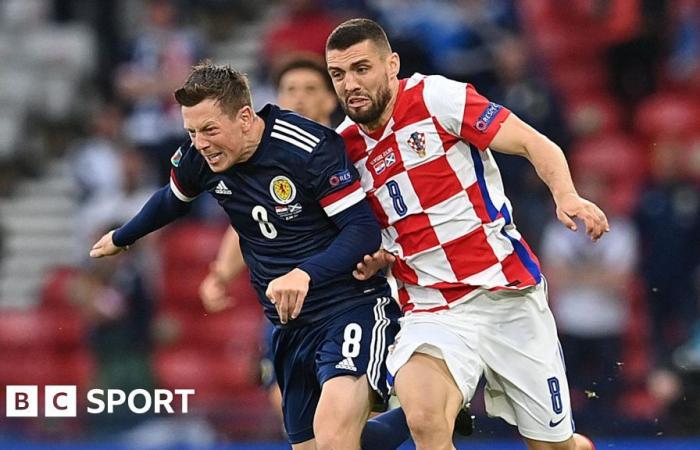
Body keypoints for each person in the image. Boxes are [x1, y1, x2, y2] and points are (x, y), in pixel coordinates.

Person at [325, 18, 607, 450]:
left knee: (553, 446)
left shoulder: (438, 97)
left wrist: (566, 195)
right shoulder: (342, 149)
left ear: (391, 64)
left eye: (361, 68)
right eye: (339, 74)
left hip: (506, 295)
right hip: (431, 308)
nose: (350, 84)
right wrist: (377, 256)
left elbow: (536, 143)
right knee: (423, 418)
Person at [90, 62, 403, 450]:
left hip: (349, 308)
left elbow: (362, 231)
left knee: (336, 436)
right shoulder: (201, 156)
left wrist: (305, 274)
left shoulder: (307, 148)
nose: (200, 143)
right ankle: (417, 412)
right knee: (321, 442)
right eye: (191, 131)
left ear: (243, 117)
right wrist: (123, 237)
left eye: (209, 130)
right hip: (289, 325)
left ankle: (421, 407)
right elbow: (172, 200)